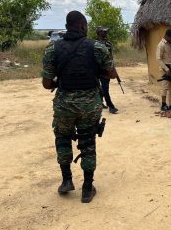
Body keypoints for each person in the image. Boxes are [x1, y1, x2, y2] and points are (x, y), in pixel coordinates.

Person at [41, 11, 117, 203]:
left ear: (67, 26)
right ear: (83, 26)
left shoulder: (53, 49)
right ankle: (87, 188)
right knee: (88, 143)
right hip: (89, 105)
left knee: (63, 139)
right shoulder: (97, 47)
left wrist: (61, 80)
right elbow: (111, 74)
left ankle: (66, 180)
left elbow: (47, 84)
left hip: (64, 104)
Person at [96, 27, 119, 114]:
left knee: (105, 87)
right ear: (99, 33)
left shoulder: (108, 43)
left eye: (106, 31)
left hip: (107, 69)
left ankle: (103, 102)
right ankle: (110, 106)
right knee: (104, 87)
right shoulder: (95, 44)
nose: (106, 33)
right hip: (98, 69)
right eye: (104, 31)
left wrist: (112, 68)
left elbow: (111, 56)